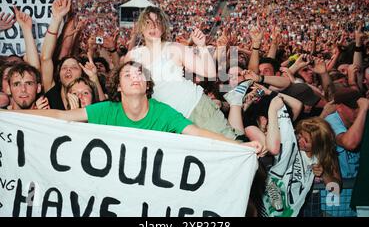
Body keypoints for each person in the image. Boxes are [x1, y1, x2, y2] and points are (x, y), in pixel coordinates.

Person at [2, 61, 262, 153]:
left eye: (139, 74)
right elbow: (61, 115)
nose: (135, 77)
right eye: (127, 75)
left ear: (147, 84)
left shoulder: (163, 112)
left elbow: (199, 133)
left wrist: (239, 146)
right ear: (118, 87)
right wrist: (10, 115)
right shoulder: (107, 110)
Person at [125, 6, 243, 140]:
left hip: (196, 108)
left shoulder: (175, 48)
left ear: (163, 28)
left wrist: (202, 46)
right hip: (166, 123)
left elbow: (210, 73)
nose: (153, 26)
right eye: (148, 22)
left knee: (230, 145)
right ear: (140, 27)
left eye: (157, 22)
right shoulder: (133, 56)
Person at [261, 96, 341, 217]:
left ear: (319, 145)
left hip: (309, 204)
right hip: (275, 204)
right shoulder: (290, 144)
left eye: (306, 140)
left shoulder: (324, 156)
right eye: (300, 135)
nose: (301, 140)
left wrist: (323, 173)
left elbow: (336, 189)